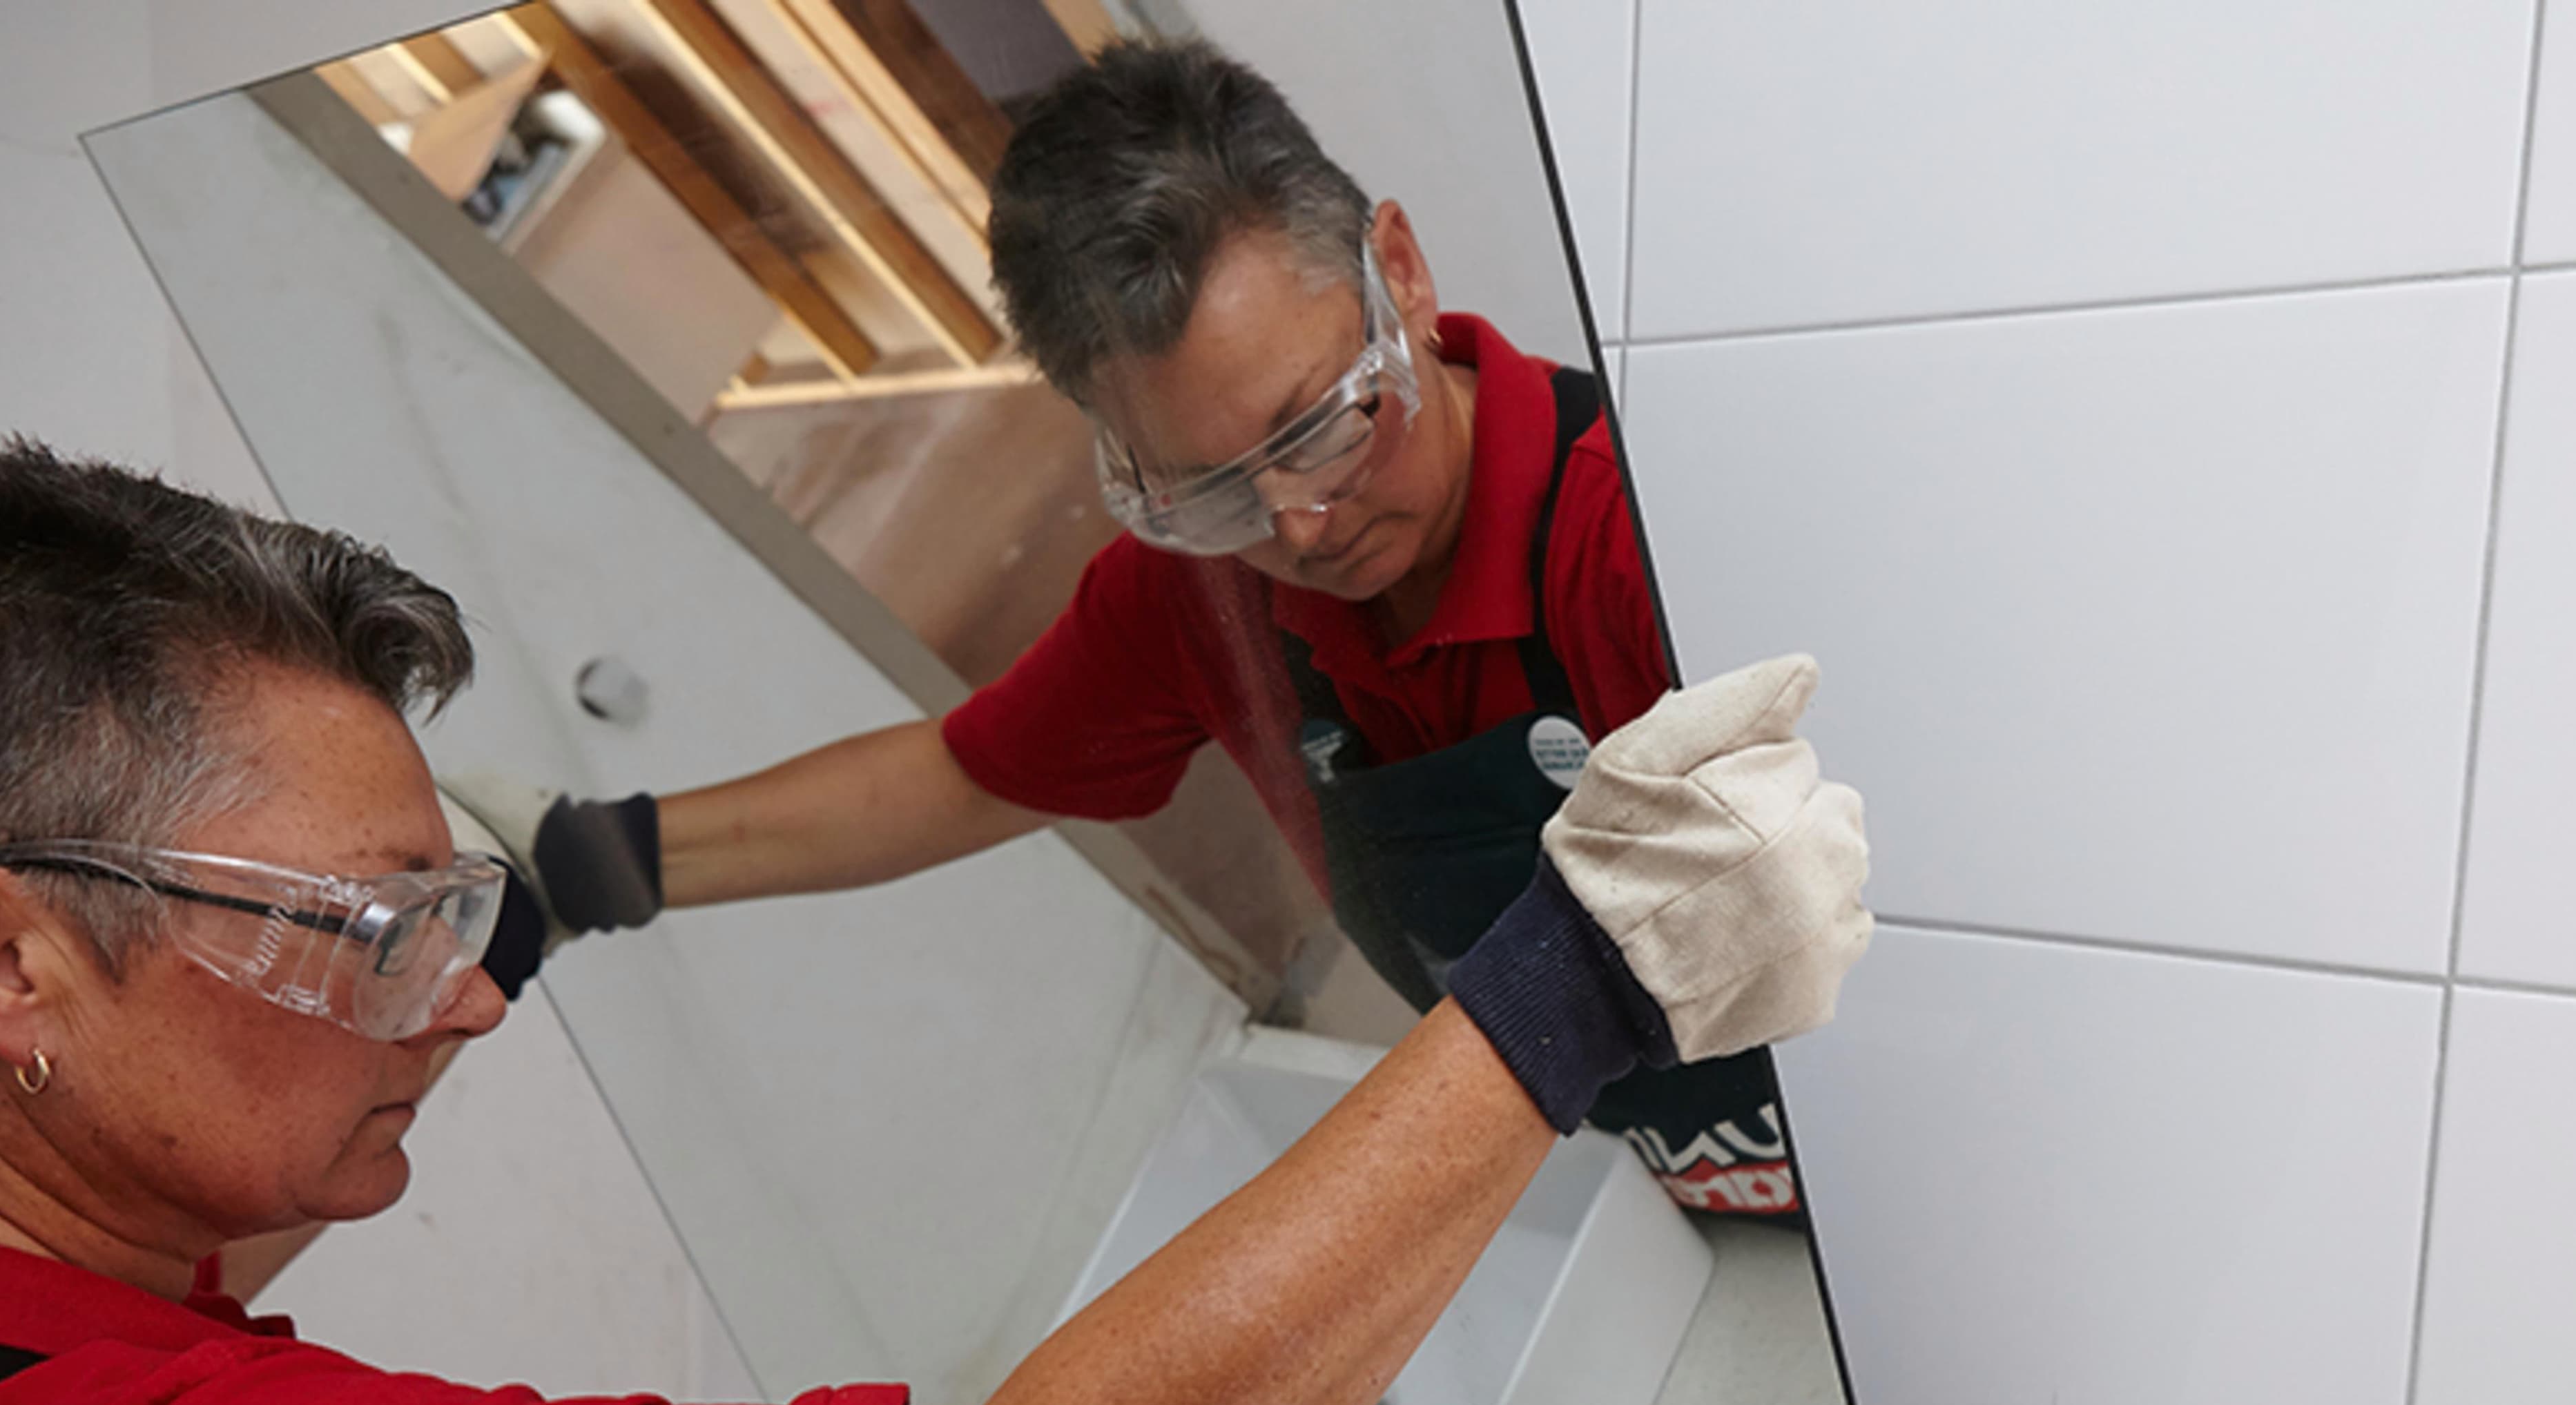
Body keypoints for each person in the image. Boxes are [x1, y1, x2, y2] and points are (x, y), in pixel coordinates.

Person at [0, 442, 1866, 1405]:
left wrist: (541, 902)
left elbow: (203, 1197)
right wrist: (1587, 984)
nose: (452, 1003)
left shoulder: (31, 1308)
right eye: (372, 935)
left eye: (448, 923)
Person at [461, 37, 1803, 1220]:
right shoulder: (1207, 595)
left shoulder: (1646, 544)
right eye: (1213, 488)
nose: (1299, 527)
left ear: (1398, 272)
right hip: (1669, 1185)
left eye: (1321, 424)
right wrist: (584, 865)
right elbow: (958, 779)